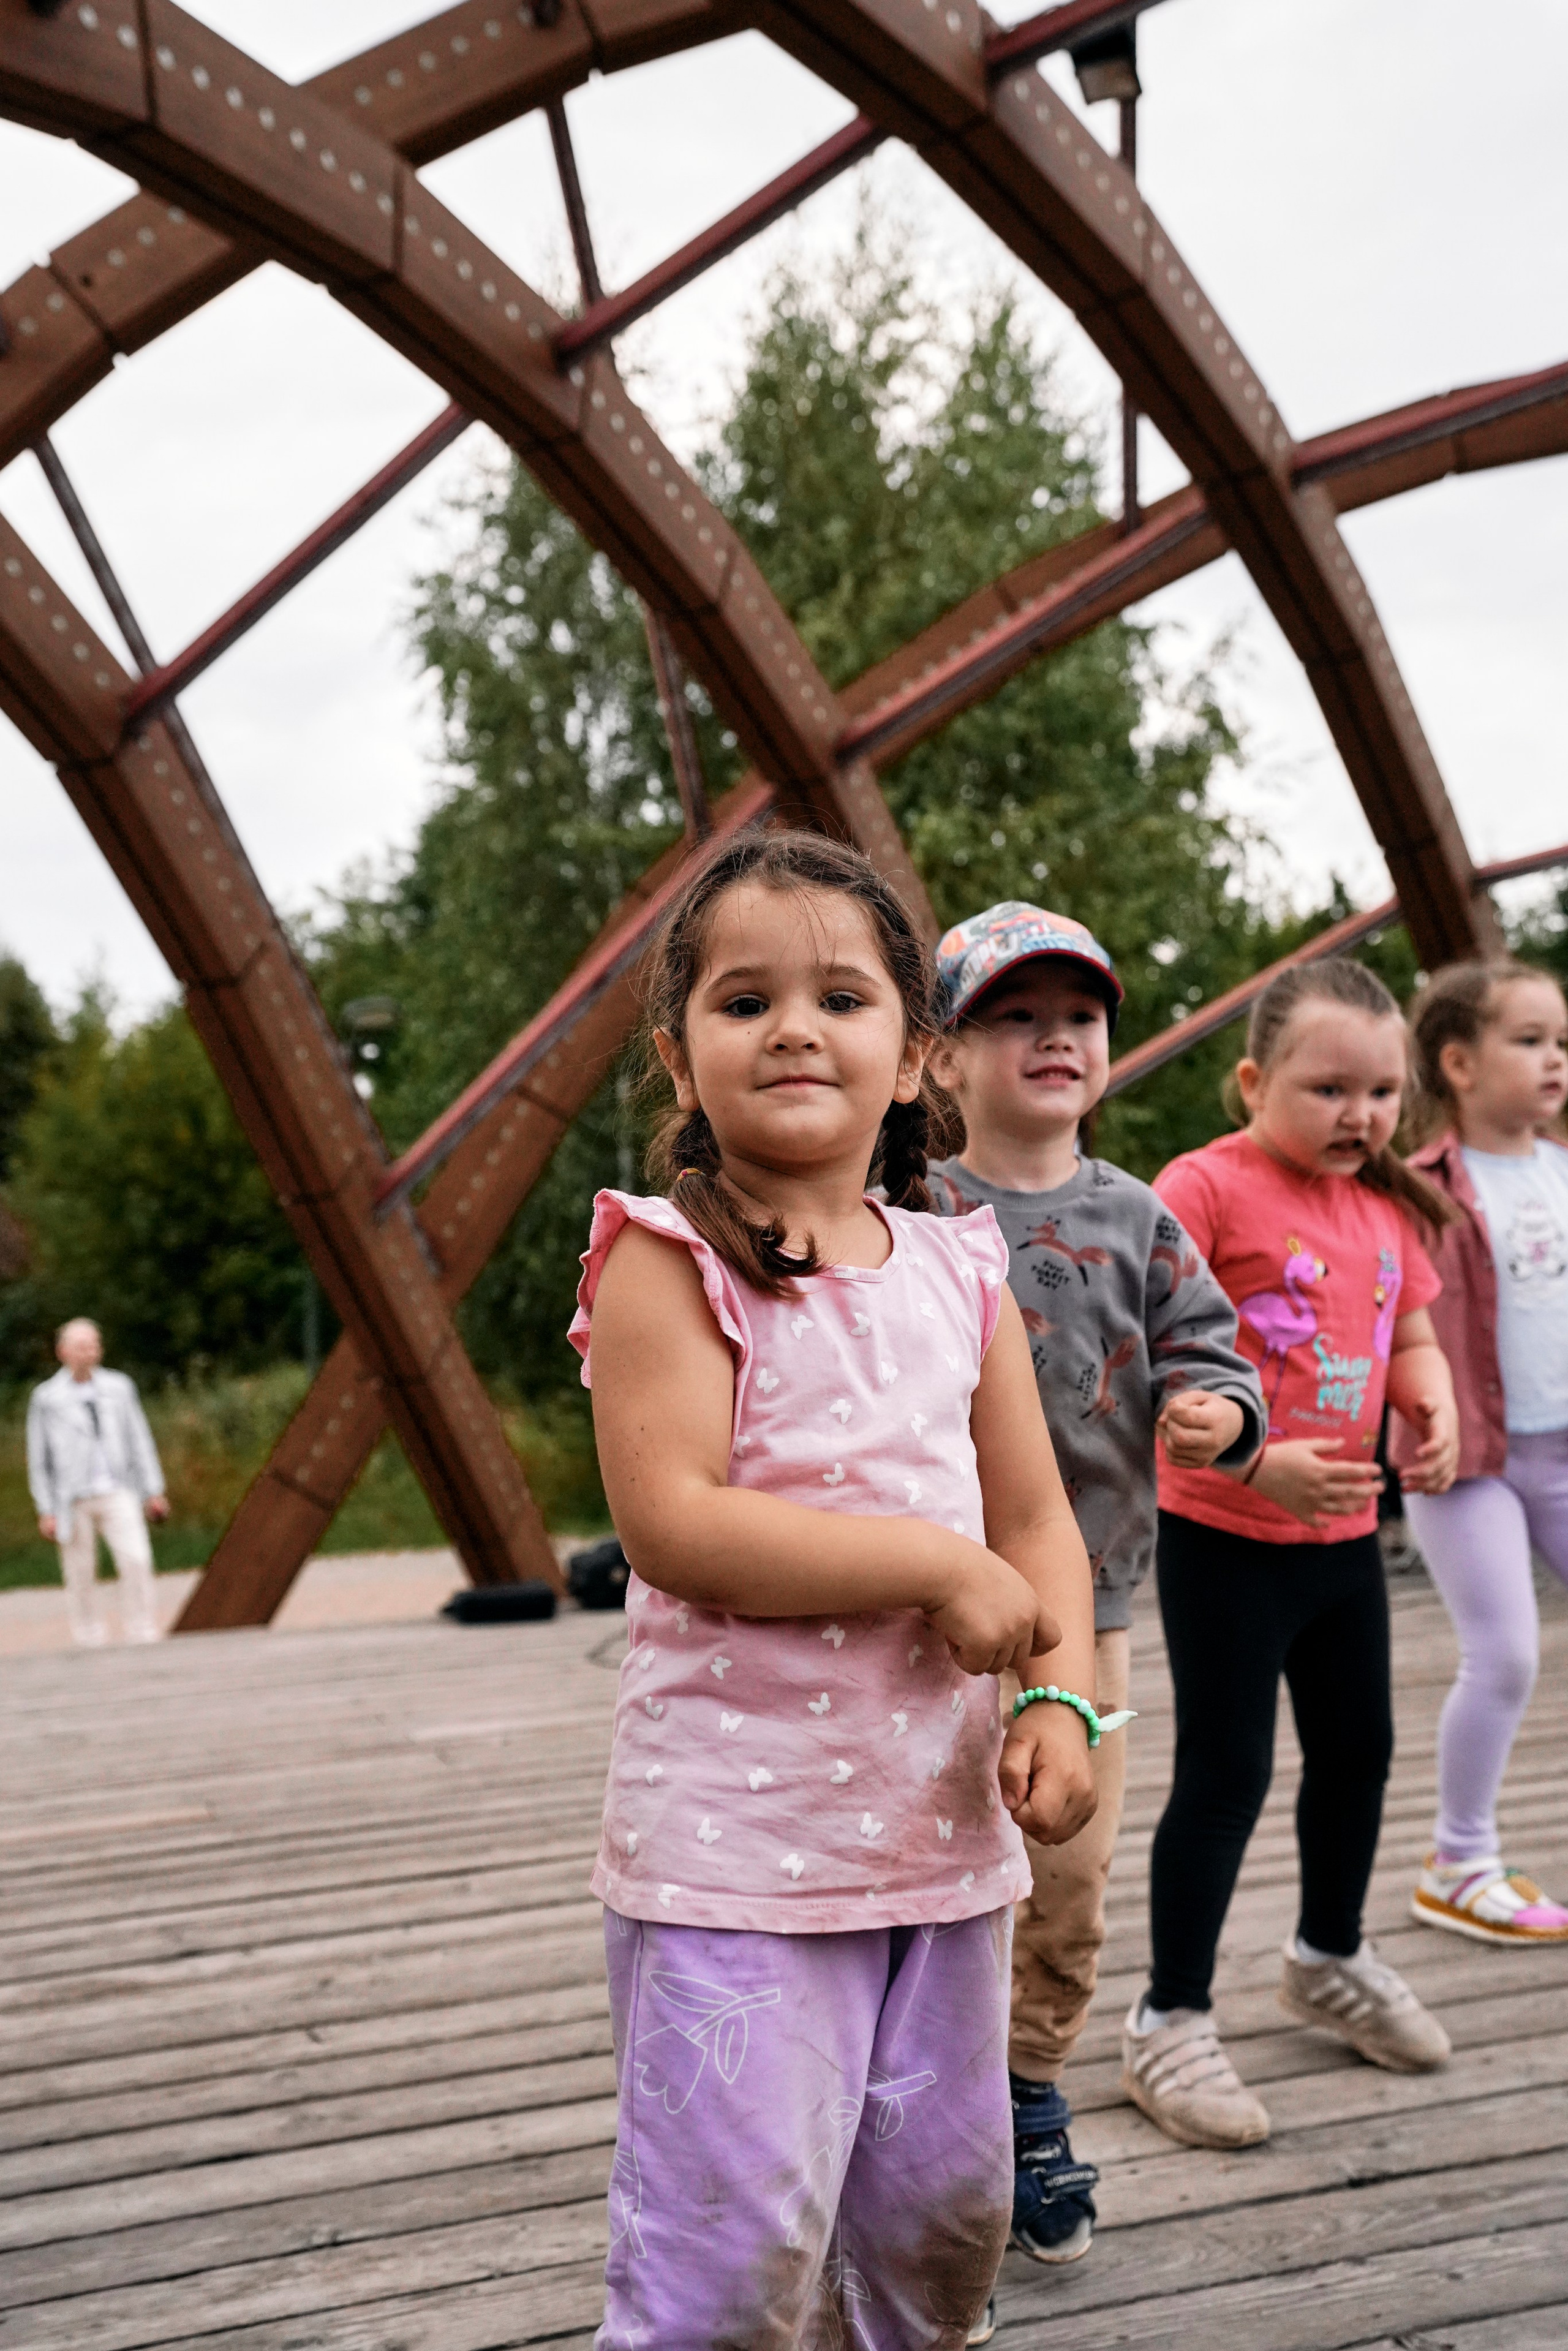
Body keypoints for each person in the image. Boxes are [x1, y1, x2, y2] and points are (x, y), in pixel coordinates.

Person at [570, 831, 1116, 2350]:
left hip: (940, 1841)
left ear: (914, 1056)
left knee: (938, 2219)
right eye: (744, 1001)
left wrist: (1057, 1699)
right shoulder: (664, 1261)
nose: (794, 1028)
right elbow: (675, 1520)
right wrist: (933, 1566)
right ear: (679, 1060)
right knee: (729, 2251)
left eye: (841, 997)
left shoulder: (959, 1271)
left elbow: (1034, 1518)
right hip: (734, 1861)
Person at [924, 900, 1265, 2268]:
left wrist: (1220, 1414)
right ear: (941, 1058)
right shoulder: (910, 1211)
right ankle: (924, 2105)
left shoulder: (1137, 1217)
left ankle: (1026, 2089)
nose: (1053, 1036)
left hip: (1091, 1617)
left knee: (1066, 1875)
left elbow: (1214, 1351)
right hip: (925, 1617)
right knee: (933, 1867)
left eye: (1078, 1015)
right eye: (1013, 1015)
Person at [1125, 956, 1461, 2150]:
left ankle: (1327, 1952)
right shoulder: (1204, 1186)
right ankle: (1168, 2013)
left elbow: (1409, 1334)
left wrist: (1430, 1404)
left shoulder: (1381, 1205)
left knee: (1358, 1753)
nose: (1360, 1115)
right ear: (1252, 1081)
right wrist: (1254, 1459)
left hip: (1343, 1540)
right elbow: (1151, 1355)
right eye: (1328, 1089)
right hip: (1225, 1535)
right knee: (1225, 1774)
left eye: (1381, 1091)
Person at [1392, 959, 1568, 1942]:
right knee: (1504, 1654)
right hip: (1467, 1466)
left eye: (1562, 1041)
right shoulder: (1419, 1191)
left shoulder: (1564, 1168)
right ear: (1459, 1063)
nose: (1555, 1059)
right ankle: (1460, 1862)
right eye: (1530, 1039)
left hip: (1563, 1449)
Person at [26, 1318, 168, 1647]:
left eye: (93, 1345)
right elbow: (39, 1458)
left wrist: (153, 1491)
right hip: (72, 1496)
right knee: (80, 1570)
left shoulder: (119, 1387)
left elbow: (139, 1439)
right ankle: (89, 1636)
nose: (89, 1352)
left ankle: (142, 1629)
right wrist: (46, 1509)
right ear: (63, 1352)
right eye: (81, 1346)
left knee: (136, 1559)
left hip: (118, 1488)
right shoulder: (47, 1397)